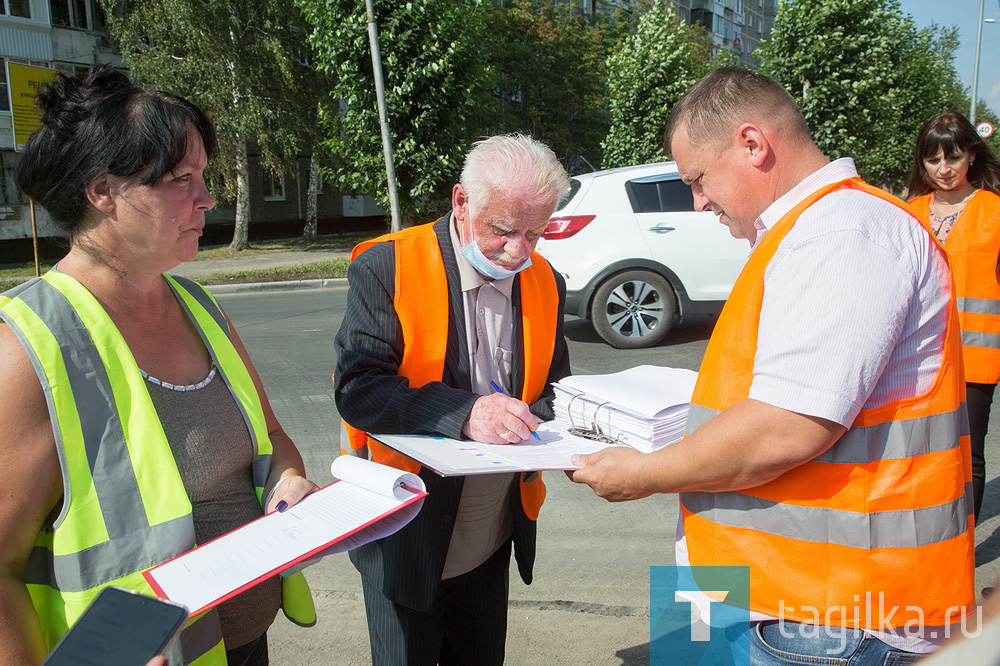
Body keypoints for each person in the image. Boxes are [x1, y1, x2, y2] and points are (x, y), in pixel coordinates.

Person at [571, 67, 975, 663]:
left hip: (832, 617)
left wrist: (645, 472)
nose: (698, 200)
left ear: (753, 145)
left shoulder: (840, 233)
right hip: (795, 596)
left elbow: (788, 425)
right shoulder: (813, 230)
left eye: (699, 179)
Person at [0, 66, 318, 665]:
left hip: (246, 644)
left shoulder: (199, 307)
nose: (208, 198)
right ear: (102, 192)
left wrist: (286, 482)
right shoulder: (27, 349)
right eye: (181, 179)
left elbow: (270, 437)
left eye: (203, 176)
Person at [334, 133, 571, 665]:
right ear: (462, 203)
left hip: (491, 532)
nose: (520, 253)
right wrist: (468, 415)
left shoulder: (545, 280)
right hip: (406, 532)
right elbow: (359, 390)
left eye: (537, 232)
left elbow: (554, 388)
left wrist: (581, 433)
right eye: (505, 231)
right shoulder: (387, 267)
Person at [907, 110, 1000, 523]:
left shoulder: (994, 211)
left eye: (954, 157)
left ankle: (963, 556)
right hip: (918, 356)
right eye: (933, 160)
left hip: (976, 358)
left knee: (968, 456)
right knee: (919, 454)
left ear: (972, 157)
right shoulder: (910, 211)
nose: (944, 169)